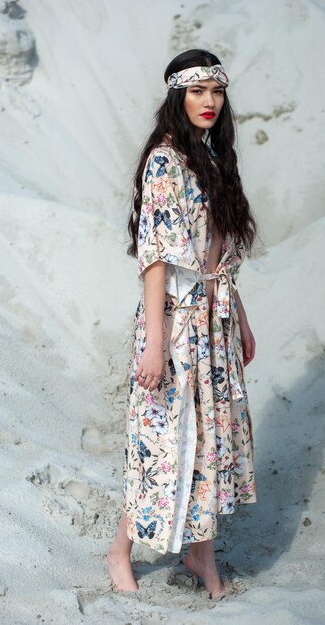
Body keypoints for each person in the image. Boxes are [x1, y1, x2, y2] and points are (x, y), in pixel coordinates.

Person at [106, 48, 258, 600]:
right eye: (197, 92)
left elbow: (223, 253)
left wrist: (239, 319)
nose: (209, 102)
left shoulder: (213, 159)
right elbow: (156, 259)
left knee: (211, 442)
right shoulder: (166, 160)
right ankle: (119, 549)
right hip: (175, 323)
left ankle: (201, 555)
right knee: (162, 441)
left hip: (215, 324)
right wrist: (155, 343)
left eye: (216, 91)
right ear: (178, 96)